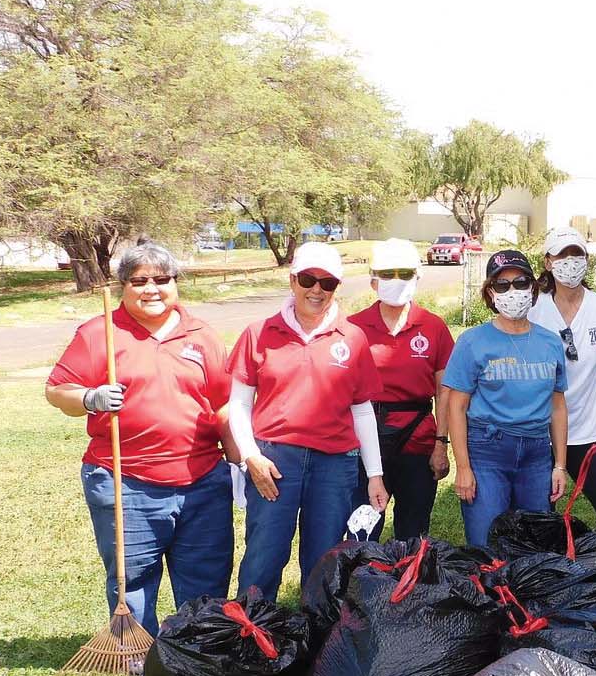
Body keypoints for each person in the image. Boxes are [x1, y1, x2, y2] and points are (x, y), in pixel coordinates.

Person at [46, 242, 235, 638]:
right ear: (123, 287)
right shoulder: (100, 334)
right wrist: (89, 397)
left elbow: (223, 407)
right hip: (123, 479)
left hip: (202, 481)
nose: (152, 289)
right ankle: (137, 649)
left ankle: (196, 648)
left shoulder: (202, 335)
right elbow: (57, 390)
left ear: (176, 283)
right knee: (132, 577)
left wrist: (241, 462)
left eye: (162, 280)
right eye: (140, 281)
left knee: (207, 577)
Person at [228, 242, 387, 602]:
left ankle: (316, 642)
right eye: (308, 279)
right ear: (292, 280)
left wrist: (375, 474)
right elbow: (238, 403)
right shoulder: (259, 333)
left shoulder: (353, 338)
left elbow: (362, 410)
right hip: (275, 461)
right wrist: (251, 456)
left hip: (335, 464)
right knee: (264, 555)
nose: (316, 290)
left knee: (324, 560)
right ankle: (253, 633)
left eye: (327, 283)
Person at [439, 249, 569, 548]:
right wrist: (464, 467)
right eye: (502, 285)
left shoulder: (550, 342)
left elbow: (558, 406)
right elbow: (456, 406)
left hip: (537, 454)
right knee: (487, 546)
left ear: (533, 288)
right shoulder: (472, 341)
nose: (513, 291)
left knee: (535, 545)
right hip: (487, 453)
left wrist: (559, 465)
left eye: (521, 282)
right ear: (490, 293)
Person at [346, 238, 454, 540]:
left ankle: (408, 585)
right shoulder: (353, 328)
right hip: (364, 441)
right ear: (373, 281)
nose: (396, 281)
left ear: (417, 277)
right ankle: (363, 585)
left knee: (413, 530)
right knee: (362, 528)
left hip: (417, 440)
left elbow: (444, 392)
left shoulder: (433, 327)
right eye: (388, 274)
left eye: (405, 273)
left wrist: (440, 444)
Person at [528, 226, 596, 511]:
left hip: (588, 432)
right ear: (548, 262)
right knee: (538, 520)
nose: (571, 261)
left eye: (577, 254)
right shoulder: (533, 308)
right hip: (539, 435)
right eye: (562, 255)